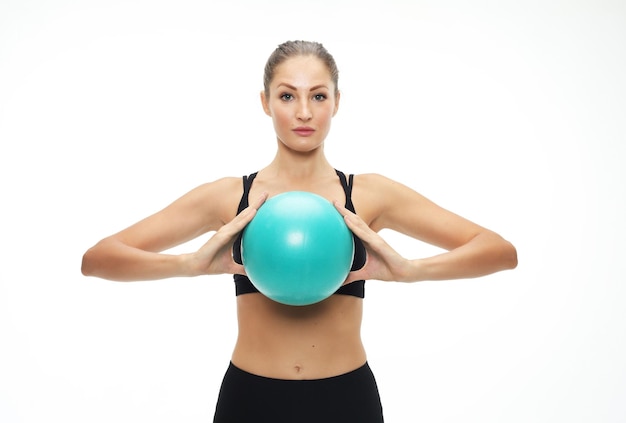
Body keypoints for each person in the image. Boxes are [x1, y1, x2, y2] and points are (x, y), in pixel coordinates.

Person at [81, 40, 518, 422]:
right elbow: (98, 259)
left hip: (347, 401)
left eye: (319, 96)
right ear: (265, 102)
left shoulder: (369, 194)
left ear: (337, 102)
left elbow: (499, 250)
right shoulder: (229, 197)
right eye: (288, 95)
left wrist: (411, 270)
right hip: (250, 400)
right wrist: (188, 265)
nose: (304, 112)